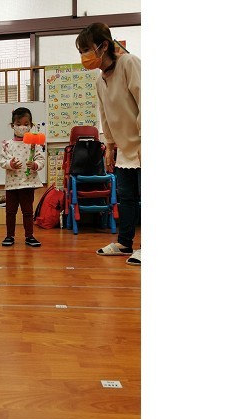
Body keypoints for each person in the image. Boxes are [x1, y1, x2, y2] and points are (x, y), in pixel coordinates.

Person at [76, 23, 141, 266]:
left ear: (103, 46)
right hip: (125, 149)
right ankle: (125, 243)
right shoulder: (100, 79)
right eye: (81, 51)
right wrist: (110, 146)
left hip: (143, 142)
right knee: (126, 197)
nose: (84, 56)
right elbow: (105, 116)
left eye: (86, 49)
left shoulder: (129, 63)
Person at [0, 107, 45, 247]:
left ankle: (29, 236)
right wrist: (10, 164)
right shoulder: (7, 144)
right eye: (18, 124)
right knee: (10, 212)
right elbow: (1, 160)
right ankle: (9, 236)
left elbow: (41, 160)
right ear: (12, 125)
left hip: (28, 183)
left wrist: (35, 165)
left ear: (31, 125)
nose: (22, 127)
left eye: (26, 124)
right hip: (12, 184)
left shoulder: (34, 144)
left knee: (28, 212)